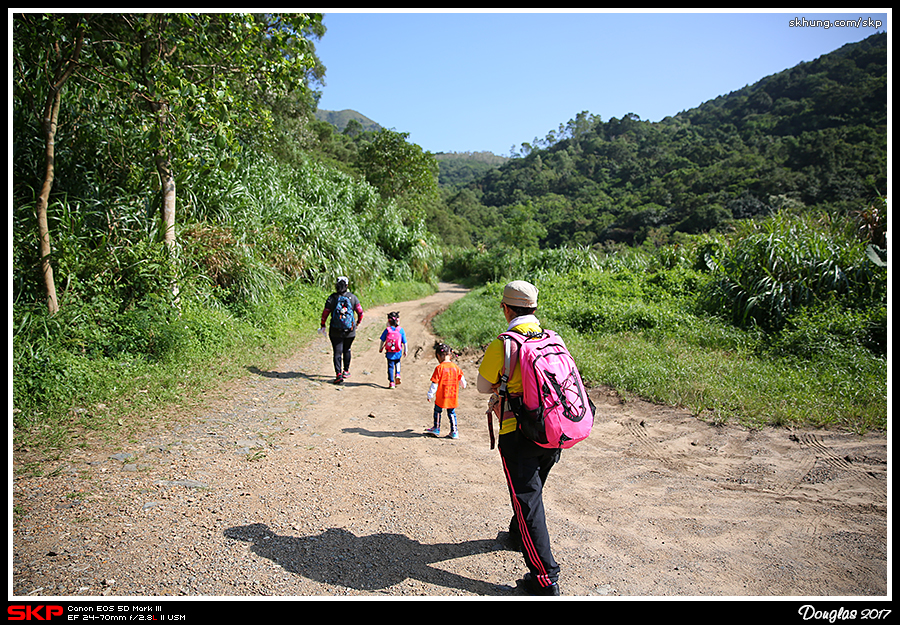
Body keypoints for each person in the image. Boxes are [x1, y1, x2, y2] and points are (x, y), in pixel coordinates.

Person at [476, 280, 561, 596]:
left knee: (527, 498)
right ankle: (516, 535)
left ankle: (545, 578)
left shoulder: (504, 344)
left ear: (505, 308)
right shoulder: (553, 338)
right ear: (535, 309)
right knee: (531, 490)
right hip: (554, 431)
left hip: (518, 432)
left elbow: (484, 387)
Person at [319, 276, 364, 384]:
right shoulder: (353, 297)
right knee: (347, 349)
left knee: (337, 351)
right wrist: (357, 323)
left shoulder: (332, 298)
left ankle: (338, 374)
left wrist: (323, 325)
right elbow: (360, 312)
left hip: (335, 330)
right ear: (347, 285)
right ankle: (346, 371)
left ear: (336, 285)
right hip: (350, 330)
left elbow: (325, 312)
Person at [426, 341, 467, 440]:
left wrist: (430, 394)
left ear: (438, 356)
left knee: (438, 411)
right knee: (451, 413)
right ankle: (454, 431)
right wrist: (463, 385)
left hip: (441, 396)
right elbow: (463, 381)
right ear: (450, 355)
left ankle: (436, 428)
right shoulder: (455, 367)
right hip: (452, 395)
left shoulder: (439, 368)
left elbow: (434, 384)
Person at [379, 311, 408, 388]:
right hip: (398, 352)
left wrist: (381, 348)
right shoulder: (401, 330)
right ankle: (398, 373)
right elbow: (405, 342)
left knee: (390, 366)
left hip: (389, 353)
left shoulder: (387, 330)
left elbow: (382, 340)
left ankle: (391, 382)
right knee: (398, 362)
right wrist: (405, 350)